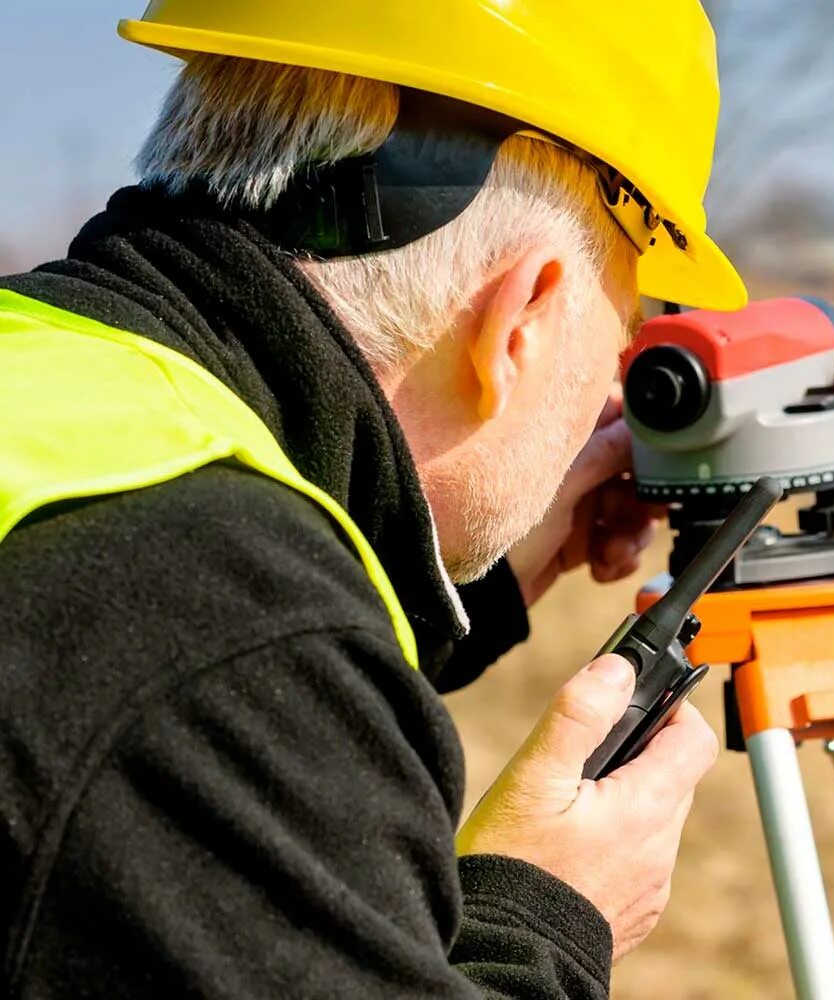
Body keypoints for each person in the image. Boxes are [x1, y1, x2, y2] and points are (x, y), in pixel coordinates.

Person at [0, 3, 748, 996]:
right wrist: (545, 915)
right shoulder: (218, 631)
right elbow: (219, 666)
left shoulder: (58, 394)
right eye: (624, 330)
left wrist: (459, 577)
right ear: (520, 316)